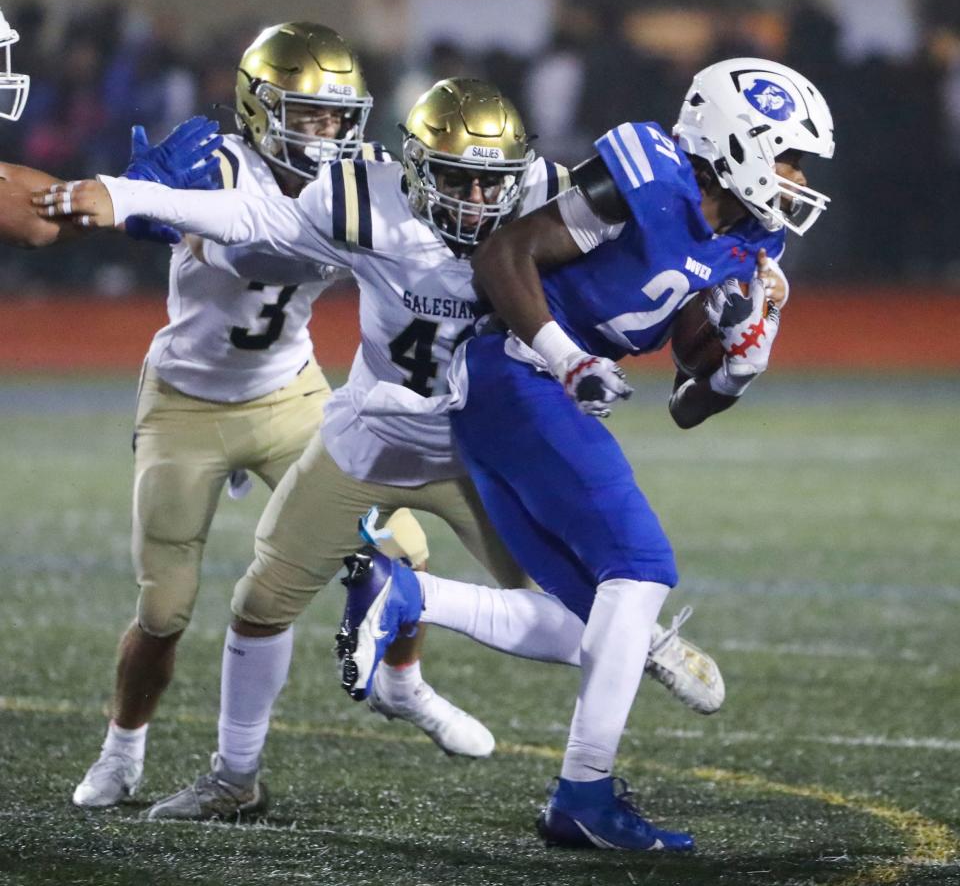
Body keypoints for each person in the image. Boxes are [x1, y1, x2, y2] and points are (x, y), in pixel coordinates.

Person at [38, 76, 726, 821]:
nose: (472, 198)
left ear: (519, 173)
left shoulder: (550, 197)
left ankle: (635, 640)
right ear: (415, 168)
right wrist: (132, 197)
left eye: (488, 182)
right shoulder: (365, 196)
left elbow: (655, 257)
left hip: (484, 441)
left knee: (579, 616)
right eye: (455, 178)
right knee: (261, 603)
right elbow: (253, 215)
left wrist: (741, 291)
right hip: (371, 430)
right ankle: (235, 777)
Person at [332, 57, 835, 851]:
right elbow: (504, 257)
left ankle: (408, 595)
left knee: (594, 626)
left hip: (524, 398)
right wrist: (566, 354)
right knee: (641, 565)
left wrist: (743, 353)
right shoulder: (651, 172)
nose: (798, 177)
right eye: (788, 155)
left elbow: (687, 400)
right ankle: (584, 795)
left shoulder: (749, 234)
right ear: (736, 141)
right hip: (517, 371)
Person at [63, 22, 443, 810]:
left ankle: (406, 682)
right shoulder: (219, 166)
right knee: (163, 608)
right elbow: (230, 248)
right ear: (260, 108)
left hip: (291, 395)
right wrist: (153, 204)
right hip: (187, 403)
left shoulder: (362, 175)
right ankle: (121, 753)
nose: (328, 132)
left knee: (404, 546)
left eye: (339, 117)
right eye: (308, 115)